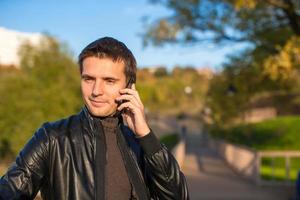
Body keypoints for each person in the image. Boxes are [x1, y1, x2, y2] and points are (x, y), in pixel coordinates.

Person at [0, 37, 189, 200]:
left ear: (130, 87)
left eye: (109, 81)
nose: (96, 91)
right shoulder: (52, 138)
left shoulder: (140, 143)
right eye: (88, 79)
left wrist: (146, 135)